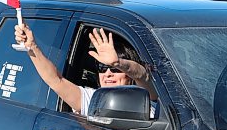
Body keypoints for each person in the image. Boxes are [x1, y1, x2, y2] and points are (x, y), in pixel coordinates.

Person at [15, 24, 157, 116]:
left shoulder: (147, 99)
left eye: (114, 69)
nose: (107, 74)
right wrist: (32, 47)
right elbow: (56, 80)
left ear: (128, 75)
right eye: (102, 68)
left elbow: (143, 75)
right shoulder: (93, 99)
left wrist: (119, 63)